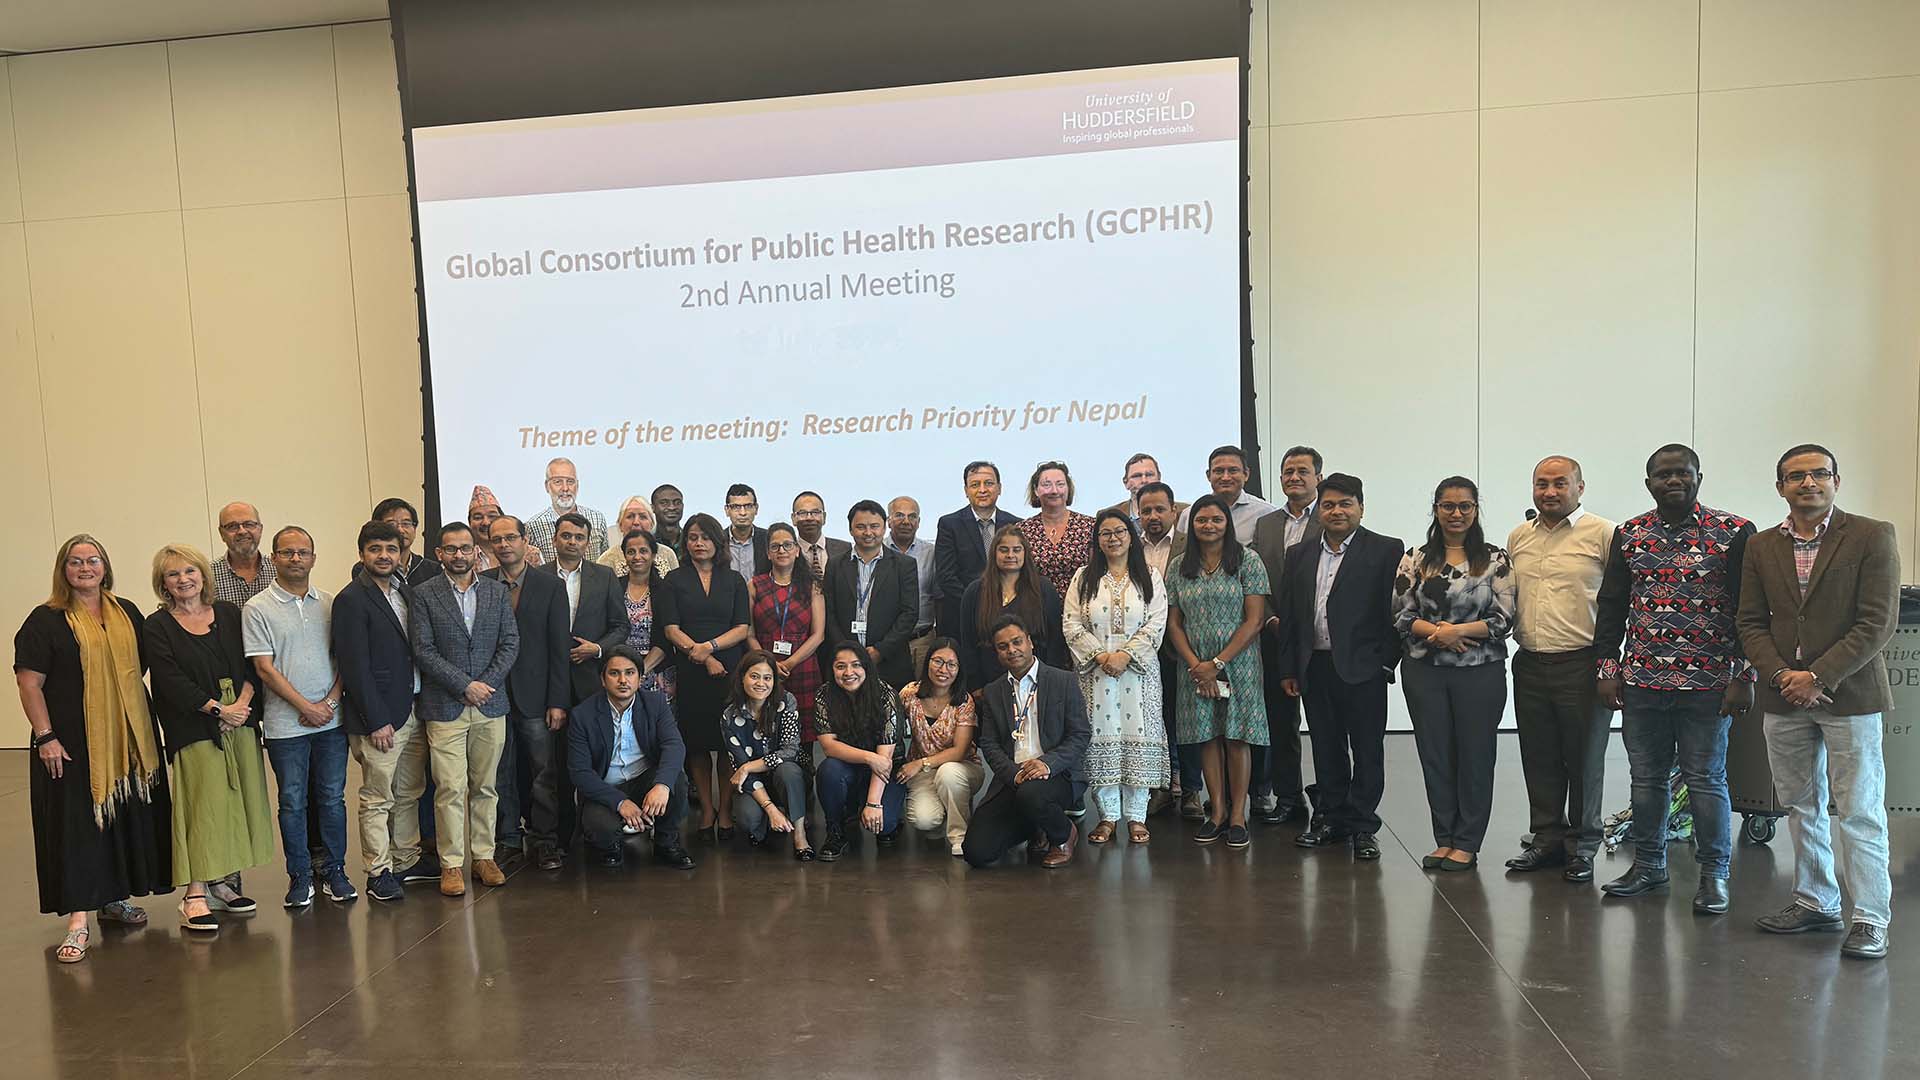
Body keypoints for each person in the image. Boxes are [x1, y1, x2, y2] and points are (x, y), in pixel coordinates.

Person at [1739, 444, 1899, 960]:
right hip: (1784, 697)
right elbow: (1749, 621)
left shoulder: (1872, 535)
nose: (1808, 483)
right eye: (1795, 476)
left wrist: (1818, 675)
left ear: (1836, 479)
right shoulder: (1762, 546)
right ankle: (1816, 900)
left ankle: (1871, 917)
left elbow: (1877, 622)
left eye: (1818, 474)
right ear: (1780, 485)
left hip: (1848, 695)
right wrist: (1785, 674)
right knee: (1800, 805)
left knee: (1859, 810)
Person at [1594, 445, 1755, 914]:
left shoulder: (1734, 533)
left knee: (1706, 780)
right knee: (1646, 780)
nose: (1672, 481)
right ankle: (1648, 866)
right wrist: (1608, 669)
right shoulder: (1630, 535)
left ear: (1699, 477)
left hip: (1709, 684)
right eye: (1662, 475)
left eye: (1682, 473)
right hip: (1643, 681)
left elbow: (1751, 610)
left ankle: (1714, 875)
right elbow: (1612, 607)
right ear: (1649, 483)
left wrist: (1744, 675)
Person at [15, 535, 172, 963]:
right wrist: (46, 737)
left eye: (93, 560)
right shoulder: (45, 620)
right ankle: (79, 922)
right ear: (62, 570)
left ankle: (113, 899)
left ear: (105, 566)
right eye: (75, 561)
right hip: (69, 741)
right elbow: (29, 682)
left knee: (120, 819)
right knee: (78, 827)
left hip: (126, 738)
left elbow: (138, 668)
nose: (85, 568)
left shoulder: (127, 613)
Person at [145, 544, 273, 931]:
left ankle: (222, 883)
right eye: (173, 574)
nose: (183, 579)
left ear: (203, 575)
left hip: (242, 719)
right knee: (203, 807)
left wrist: (242, 706)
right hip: (195, 726)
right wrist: (218, 709)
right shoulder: (157, 625)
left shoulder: (231, 614)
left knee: (236, 803)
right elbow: (169, 680)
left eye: (189, 571)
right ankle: (194, 893)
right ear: (163, 584)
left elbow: (253, 662)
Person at [1276, 476, 1402, 860]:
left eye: (1345, 504)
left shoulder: (1385, 550)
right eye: (1329, 505)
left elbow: (1395, 613)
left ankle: (1363, 825)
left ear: (1361, 508)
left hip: (1363, 669)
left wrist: (1385, 663)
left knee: (1367, 750)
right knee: (1327, 747)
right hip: (1314, 665)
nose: (1337, 512)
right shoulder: (1299, 553)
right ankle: (1331, 818)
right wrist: (1288, 669)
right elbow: (1291, 616)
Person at [1391, 478, 1514, 872]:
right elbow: (1401, 614)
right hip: (1425, 672)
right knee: (1435, 754)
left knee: (1476, 755)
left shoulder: (1496, 560)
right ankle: (1443, 838)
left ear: (1476, 509)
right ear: (1436, 509)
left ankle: (1467, 841)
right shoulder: (1415, 558)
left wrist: (1454, 632)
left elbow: (1504, 618)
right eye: (1447, 506)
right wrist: (1439, 634)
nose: (1456, 513)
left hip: (1480, 673)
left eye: (1464, 506)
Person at [1504, 456, 1616, 884]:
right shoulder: (1519, 537)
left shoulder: (1603, 534)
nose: (1550, 492)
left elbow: (1618, 601)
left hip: (1582, 662)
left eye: (1560, 484)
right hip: (1530, 661)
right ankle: (1547, 837)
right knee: (1539, 755)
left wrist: (1610, 665)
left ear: (1580, 487)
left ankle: (1583, 844)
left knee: (1584, 759)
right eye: (1541, 484)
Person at [244, 526, 354, 907]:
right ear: (273, 557)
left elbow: (344, 660)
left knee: (332, 798)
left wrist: (330, 703)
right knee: (292, 801)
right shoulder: (257, 607)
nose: (295, 559)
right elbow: (264, 668)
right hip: (284, 725)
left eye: (302, 552)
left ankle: (335, 870)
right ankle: (300, 875)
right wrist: (305, 707)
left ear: (313, 557)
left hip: (331, 722)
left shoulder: (329, 603)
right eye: (287, 553)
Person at [409, 523, 519, 896]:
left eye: (466, 548)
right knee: (450, 788)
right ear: (439, 553)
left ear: (477, 551)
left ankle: (484, 857)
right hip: (445, 705)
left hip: (490, 704)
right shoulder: (423, 595)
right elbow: (423, 649)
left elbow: (510, 642)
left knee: (486, 786)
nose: (459, 555)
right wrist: (464, 685)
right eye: (451, 549)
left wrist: (484, 684)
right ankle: (451, 864)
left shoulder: (495, 591)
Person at [333, 520, 433, 901]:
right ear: (362, 554)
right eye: (375, 549)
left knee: (409, 790)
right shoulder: (351, 599)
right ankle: (378, 871)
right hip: (379, 718)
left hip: (413, 708)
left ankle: (405, 859)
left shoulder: (404, 593)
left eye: (391, 549)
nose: (384, 556)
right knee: (377, 798)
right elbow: (354, 665)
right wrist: (376, 719)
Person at [1167, 494, 1270, 850]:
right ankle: (1218, 813)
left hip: (1237, 665)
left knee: (1237, 738)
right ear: (1191, 525)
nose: (1208, 526)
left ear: (1227, 523)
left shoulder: (1248, 561)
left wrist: (1218, 664)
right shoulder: (1179, 566)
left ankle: (1239, 816)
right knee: (1208, 737)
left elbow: (1254, 620)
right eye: (1201, 520)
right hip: (1194, 667)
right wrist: (1197, 665)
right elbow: (1174, 622)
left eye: (1216, 520)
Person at [1063, 511, 1169, 844]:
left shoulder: (1149, 576)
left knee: (1139, 736)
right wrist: (1101, 656)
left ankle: (1137, 816)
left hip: (1139, 674)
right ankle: (1107, 817)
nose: (1113, 538)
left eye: (1120, 531)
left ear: (1131, 536)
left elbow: (1157, 621)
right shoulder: (1083, 577)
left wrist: (1126, 655)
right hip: (1096, 675)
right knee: (1100, 736)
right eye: (1105, 533)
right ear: (1096, 539)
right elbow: (1070, 624)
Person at [962, 615, 1091, 869]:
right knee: (977, 852)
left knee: (1033, 795)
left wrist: (1047, 764)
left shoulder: (1063, 681)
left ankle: (1063, 835)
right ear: (997, 653)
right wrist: (1013, 774)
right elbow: (989, 743)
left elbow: (1080, 735)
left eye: (1017, 641)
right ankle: (1036, 825)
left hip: (1057, 775)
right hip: (1014, 779)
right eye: (1003, 646)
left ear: (1030, 642)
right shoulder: (993, 692)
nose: (1012, 650)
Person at [481, 515, 571, 872]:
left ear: (524, 540)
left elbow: (558, 649)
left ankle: (545, 841)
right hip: (493, 697)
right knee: (500, 774)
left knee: (542, 774)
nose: (503, 545)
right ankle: (507, 839)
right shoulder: (483, 583)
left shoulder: (550, 586)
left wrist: (558, 701)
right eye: (496, 540)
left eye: (510, 538)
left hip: (538, 698)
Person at [657, 513, 753, 838]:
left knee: (727, 743)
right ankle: (707, 810)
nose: (699, 543)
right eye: (693, 537)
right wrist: (698, 654)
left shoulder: (735, 579)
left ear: (717, 541)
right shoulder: (674, 579)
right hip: (690, 669)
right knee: (696, 744)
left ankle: (725, 811)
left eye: (706, 537)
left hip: (728, 668)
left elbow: (742, 628)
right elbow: (670, 628)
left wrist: (709, 648)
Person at [1248, 446, 1324, 826]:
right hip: (1276, 637)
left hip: (1323, 642)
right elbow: (1257, 580)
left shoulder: (1331, 519)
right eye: (1288, 472)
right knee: (1281, 723)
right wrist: (1271, 618)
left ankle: (1329, 801)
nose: (1294, 477)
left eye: (1302, 471)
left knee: (1326, 726)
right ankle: (1289, 797)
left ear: (1318, 478)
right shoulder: (1266, 524)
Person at [567, 647, 695, 870]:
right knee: (601, 828)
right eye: (614, 673)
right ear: (603, 679)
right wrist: (620, 802)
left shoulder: (655, 703)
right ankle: (610, 846)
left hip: (644, 780)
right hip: (606, 788)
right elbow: (580, 772)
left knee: (676, 781)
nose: (623, 680)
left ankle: (666, 843)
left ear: (639, 678)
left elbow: (674, 745)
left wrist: (662, 785)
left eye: (630, 673)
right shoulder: (582, 715)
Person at [1136, 482, 1201, 819]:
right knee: (1155, 721)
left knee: (1186, 719)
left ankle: (1191, 789)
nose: (1153, 516)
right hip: (1144, 650)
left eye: (1160, 509)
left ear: (1174, 511)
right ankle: (1161, 786)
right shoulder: (1131, 546)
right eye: (1146, 510)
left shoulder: (1191, 545)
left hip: (1183, 646)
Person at [746, 522, 826, 788]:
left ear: (796, 550)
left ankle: (802, 789)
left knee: (803, 733)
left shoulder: (812, 586)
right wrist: (767, 663)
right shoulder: (754, 585)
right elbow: (748, 631)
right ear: (767, 552)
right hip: (763, 668)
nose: (782, 550)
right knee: (767, 725)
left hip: (802, 666)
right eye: (775, 546)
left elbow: (818, 635)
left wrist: (790, 662)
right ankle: (768, 786)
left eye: (787, 545)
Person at [813, 643, 910, 861]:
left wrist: (873, 804)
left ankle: (880, 809)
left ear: (866, 667)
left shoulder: (886, 695)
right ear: (832, 669)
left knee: (884, 826)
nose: (848, 673)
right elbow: (829, 746)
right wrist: (868, 757)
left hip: (886, 769)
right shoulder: (824, 694)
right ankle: (836, 830)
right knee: (828, 770)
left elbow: (884, 760)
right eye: (840, 666)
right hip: (847, 764)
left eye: (856, 665)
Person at [896, 639, 987, 856]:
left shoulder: (964, 701)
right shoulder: (910, 693)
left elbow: (960, 751)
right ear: (928, 662)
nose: (943, 669)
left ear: (959, 669)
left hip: (960, 768)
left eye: (951, 664)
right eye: (938, 661)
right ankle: (945, 811)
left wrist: (920, 763)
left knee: (948, 775)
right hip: (923, 774)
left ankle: (960, 835)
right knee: (925, 820)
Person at [720, 650, 813, 859]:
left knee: (787, 770)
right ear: (741, 678)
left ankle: (799, 834)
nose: (761, 683)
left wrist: (748, 766)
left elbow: (790, 751)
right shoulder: (729, 716)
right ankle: (773, 815)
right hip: (756, 783)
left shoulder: (786, 701)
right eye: (754, 676)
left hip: (789, 774)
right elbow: (742, 771)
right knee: (747, 819)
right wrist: (770, 809)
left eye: (767, 678)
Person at [824, 500, 921, 690]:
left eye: (874, 526)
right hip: (845, 665)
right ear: (851, 529)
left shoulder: (904, 565)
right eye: (861, 527)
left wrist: (880, 650)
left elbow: (909, 614)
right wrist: (847, 652)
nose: (868, 533)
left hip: (889, 662)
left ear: (885, 527)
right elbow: (829, 612)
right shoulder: (835, 565)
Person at [956, 525, 1067, 692]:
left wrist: (1050, 682)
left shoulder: (1043, 589)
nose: (1010, 555)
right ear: (994, 553)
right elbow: (968, 643)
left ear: (1025, 553)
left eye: (1016, 550)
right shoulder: (975, 591)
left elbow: (1055, 641)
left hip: (1038, 683)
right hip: (989, 686)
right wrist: (976, 685)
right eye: (1004, 550)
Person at [933, 460, 1020, 638]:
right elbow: (946, 576)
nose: (982, 490)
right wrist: (978, 605)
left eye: (988, 483)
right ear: (966, 491)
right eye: (975, 484)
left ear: (999, 488)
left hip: (1010, 617)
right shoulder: (949, 524)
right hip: (964, 618)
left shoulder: (1016, 524)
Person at [1018, 460, 1096, 598]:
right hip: (1036, 609)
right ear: (1036, 490)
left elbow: (1098, 572)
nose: (1054, 491)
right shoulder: (1022, 530)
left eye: (1060, 484)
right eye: (1046, 485)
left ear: (1068, 489)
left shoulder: (1089, 526)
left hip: (1081, 608)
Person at [616, 529, 675, 698]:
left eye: (643, 551)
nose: (637, 557)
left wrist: (640, 672)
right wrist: (626, 672)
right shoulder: (614, 587)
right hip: (620, 672)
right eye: (631, 552)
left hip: (657, 671)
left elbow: (666, 637)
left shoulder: (666, 589)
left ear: (654, 554)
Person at [1176, 445, 1276, 544]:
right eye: (1219, 471)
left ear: (1246, 474)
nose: (1225, 477)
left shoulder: (1266, 513)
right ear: (1208, 475)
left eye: (1233, 471)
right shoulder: (1188, 515)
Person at [886, 495, 940, 674]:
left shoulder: (931, 553)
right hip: (886, 642)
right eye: (899, 515)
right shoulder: (878, 551)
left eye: (912, 516)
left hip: (922, 641)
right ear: (888, 520)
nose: (906, 521)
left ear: (919, 522)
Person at [526, 457, 610, 562]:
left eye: (570, 482)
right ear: (547, 486)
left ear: (577, 485)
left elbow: (605, 560)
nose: (565, 488)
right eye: (558, 482)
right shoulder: (533, 525)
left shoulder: (597, 519)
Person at [352, 497, 445, 586]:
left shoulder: (432, 569)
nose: (400, 530)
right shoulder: (365, 568)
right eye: (391, 524)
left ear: (415, 528)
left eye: (406, 523)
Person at [210, 501, 275, 604]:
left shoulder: (279, 570)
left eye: (249, 524)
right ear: (222, 534)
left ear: (260, 529)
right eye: (232, 526)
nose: (242, 531)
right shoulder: (208, 575)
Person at [598, 497, 679, 576]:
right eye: (630, 516)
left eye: (643, 517)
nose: (636, 522)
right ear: (620, 525)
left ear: (652, 524)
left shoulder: (668, 554)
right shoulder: (606, 560)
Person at [1102, 453, 1188, 522]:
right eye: (1137, 476)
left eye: (1149, 475)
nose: (1144, 480)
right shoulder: (1107, 515)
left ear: (1159, 478)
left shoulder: (1185, 512)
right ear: (1126, 482)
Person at [791, 490, 850, 580]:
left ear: (824, 517)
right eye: (803, 513)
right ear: (793, 519)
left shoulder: (845, 549)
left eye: (815, 512)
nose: (809, 518)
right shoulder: (787, 552)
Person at [722, 483, 771, 580]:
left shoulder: (768, 539)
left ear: (756, 509)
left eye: (748, 506)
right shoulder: (717, 540)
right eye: (736, 507)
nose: (742, 513)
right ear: (727, 510)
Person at [651, 484, 686, 552]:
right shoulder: (647, 542)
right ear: (652, 508)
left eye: (677, 502)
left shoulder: (690, 541)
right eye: (664, 503)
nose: (672, 507)